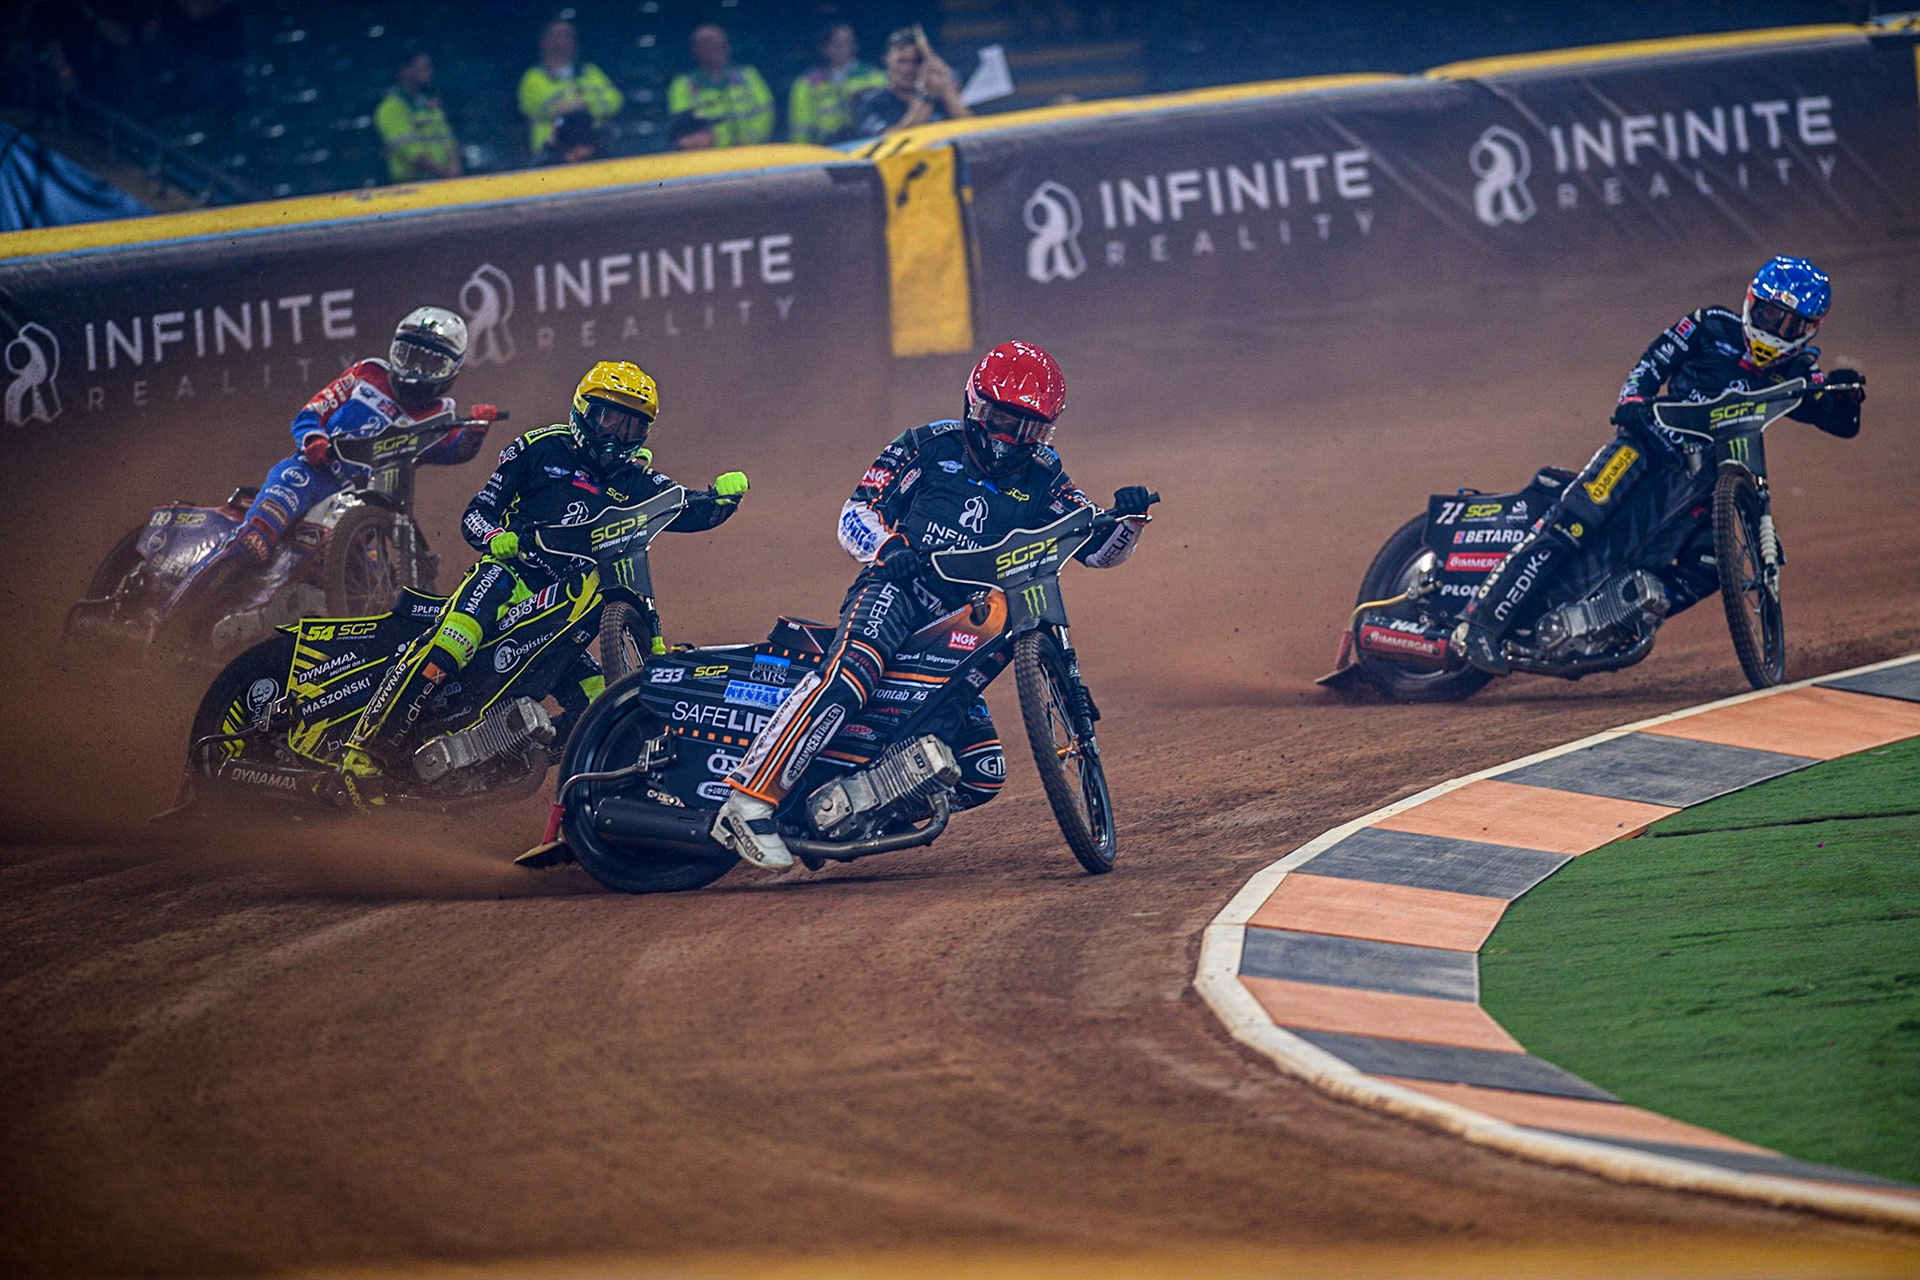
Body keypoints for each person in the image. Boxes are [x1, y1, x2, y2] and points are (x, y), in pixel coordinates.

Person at [711, 340, 1153, 870]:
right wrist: (886, 547)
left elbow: (1096, 551)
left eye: (1026, 428)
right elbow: (855, 512)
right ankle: (748, 801)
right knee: (852, 673)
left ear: (1045, 430)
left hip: (966, 625)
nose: (1006, 437)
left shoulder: (1045, 474)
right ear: (973, 402)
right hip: (898, 591)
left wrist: (1125, 522)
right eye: (996, 417)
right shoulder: (925, 444)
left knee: (982, 771)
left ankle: (843, 811)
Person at [340, 361, 750, 792]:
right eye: (607, 418)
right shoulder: (538, 448)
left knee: (598, 699)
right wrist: (496, 537)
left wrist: (723, 498)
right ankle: (364, 751)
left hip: (563, 610)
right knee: (452, 643)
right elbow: (476, 514)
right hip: (507, 577)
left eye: (630, 427)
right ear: (581, 411)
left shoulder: (637, 478)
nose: (614, 435)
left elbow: (686, 510)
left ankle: (505, 761)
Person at [1453, 256, 1866, 675]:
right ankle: (1478, 623)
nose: (1776, 329)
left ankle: (1609, 622)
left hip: (1705, 483)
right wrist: (1633, 401)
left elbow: (1838, 421)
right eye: (1770, 314)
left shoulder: (1797, 372)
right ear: (1751, 303)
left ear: (1809, 329)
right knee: (1573, 522)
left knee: (1709, 564)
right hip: (1646, 447)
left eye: (1790, 324)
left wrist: (1846, 397)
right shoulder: (1708, 325)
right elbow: (1651, 364)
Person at [166, 307, 493, 629]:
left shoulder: (441, 414)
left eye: (431, 363)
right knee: (256, 540)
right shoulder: (368, 373)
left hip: (359, 505)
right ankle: (170, 622)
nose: (415, 370)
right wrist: (313, 439)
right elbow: (312, 411)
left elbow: (452, 450)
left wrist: (476, 431)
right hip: (308, 476)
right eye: (409, 355)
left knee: (367, 590)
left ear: (451, 370)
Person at [517, 18, 622, 158]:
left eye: (570, 35)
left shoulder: (590, 72)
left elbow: (615, 101)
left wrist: (584, 105)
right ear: (545, 41)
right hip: (550, 155)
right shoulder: (533, 78)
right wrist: (573, 107)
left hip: (594, 151)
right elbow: (535, 108)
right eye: (560, 35)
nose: (567, 40)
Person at [847, 27, 972, 141]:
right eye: (901, 61)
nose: (908, 69)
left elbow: (973, 130)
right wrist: (926, 97)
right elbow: (891, 141)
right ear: (886, 61)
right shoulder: (872, 102)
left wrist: (945, 88)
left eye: (916, 62)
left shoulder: (941, 98)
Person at [666, 25, 773, 149]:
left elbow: (766, 113)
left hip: (750, 151)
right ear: (696, 50)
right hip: (710, 156)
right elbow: (683, 127)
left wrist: (747, 141)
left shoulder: (748, 76)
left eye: (721, 44)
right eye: (709, 45)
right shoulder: (682, 85)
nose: (717, 49)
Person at [787, 22, 885, 145]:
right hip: (823, 148)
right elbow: (800, 128)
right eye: (839, 43)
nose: (846, 48)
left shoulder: (873, 75)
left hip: (865, 143)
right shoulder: (807, 83)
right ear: (824, 48)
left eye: (849, 42)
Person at [375, 49, 462, 183]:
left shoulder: (429, 104)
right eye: (423, 67)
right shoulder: (391, 107)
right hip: (411, 186)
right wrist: (445, 173)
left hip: (444, 182)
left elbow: (448, 139)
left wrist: (454, 170)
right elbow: (410, 151)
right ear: (405, 71)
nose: (430, 71)